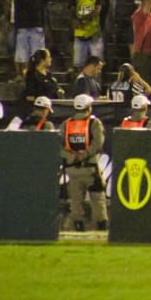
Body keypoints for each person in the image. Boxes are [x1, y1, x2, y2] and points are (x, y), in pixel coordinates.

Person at [61, 93, 108, 232]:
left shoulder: (66, 124)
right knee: (97, 198)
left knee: (75, 200)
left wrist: (71, 156)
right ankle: (101, 227)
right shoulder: (95, 123)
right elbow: (98, 143)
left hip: (72, 168)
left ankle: (77, 227)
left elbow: (59, 145)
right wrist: (85, 154)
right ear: (89, 107)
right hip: (90, 169)